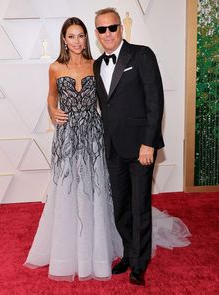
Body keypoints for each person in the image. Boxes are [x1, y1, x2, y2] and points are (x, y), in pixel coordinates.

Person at [93, 8, 190, 286]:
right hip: (113, 148)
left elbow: (154, 101)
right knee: (120, 207)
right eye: (102, 29)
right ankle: (128, 253)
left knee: (140, 205)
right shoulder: (97, 64)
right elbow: (106, 107)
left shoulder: (142, 55)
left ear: (121, 29)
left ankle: (139, 262)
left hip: (140, 149)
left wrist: (149, 142)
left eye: (112, 27)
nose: (108, 33)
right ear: (97, 33)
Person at [24, 17, 123, 281]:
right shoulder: (55, 67)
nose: (77, 41)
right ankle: (69, 250)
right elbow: (51, 96)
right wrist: (52, 110)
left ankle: (96, 247)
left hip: (92, 133)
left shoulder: (96, 65)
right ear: (64, 40)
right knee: (69, 188)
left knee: (93, 187)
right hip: (67, 135)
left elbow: (109, 99)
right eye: (71, 36)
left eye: (81, 36)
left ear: (86, 38)